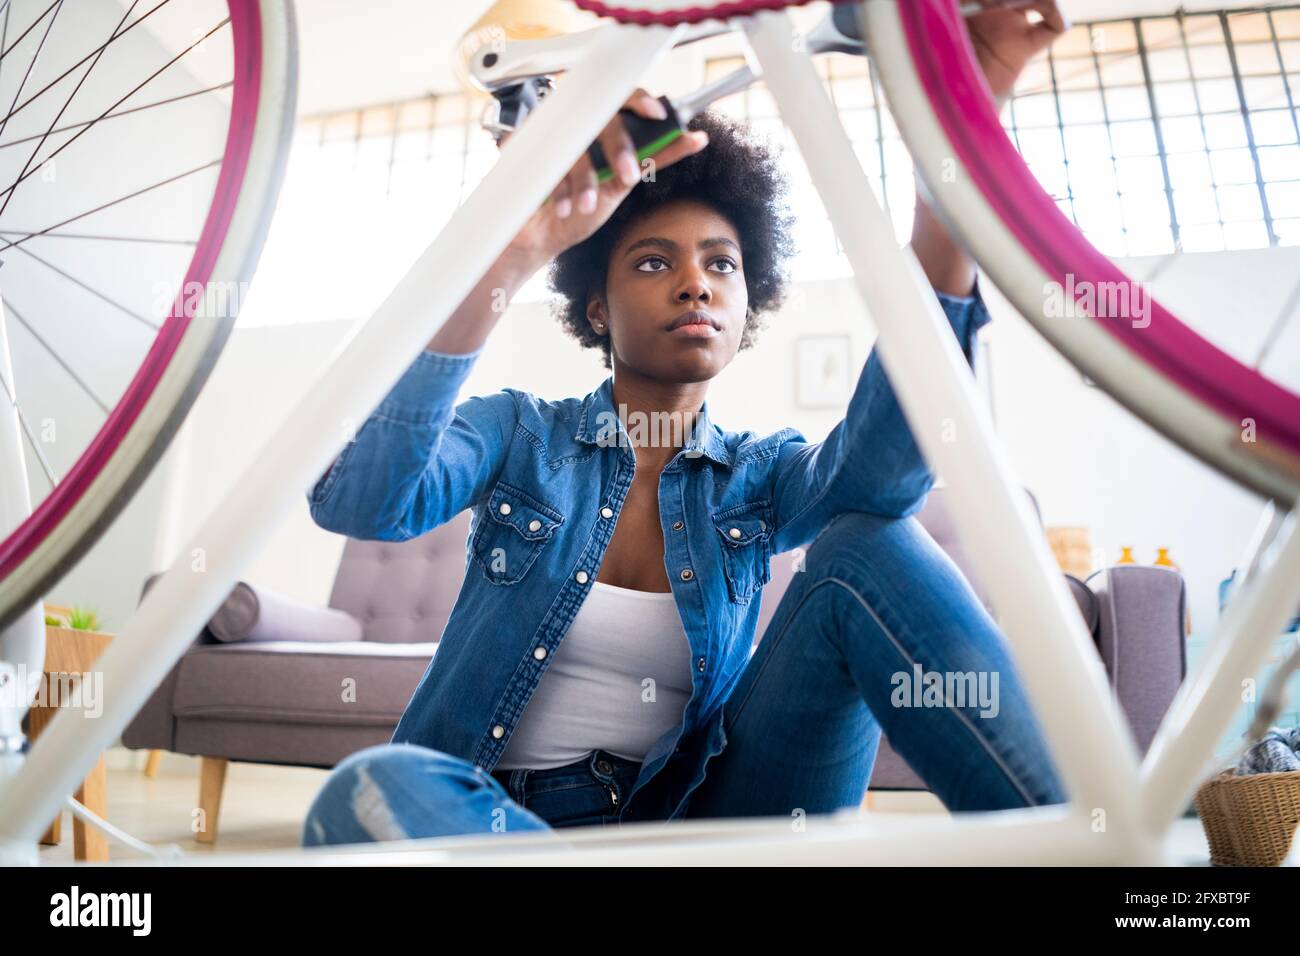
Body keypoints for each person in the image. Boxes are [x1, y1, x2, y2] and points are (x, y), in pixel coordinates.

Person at [300, 2, 1071, 847]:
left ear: (747, 308)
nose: (695, 284)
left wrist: (955, 153)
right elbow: (361, 503)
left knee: (870, 541)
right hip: (493, 820)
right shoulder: (517, 433)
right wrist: (513, 254)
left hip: (698, 826)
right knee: (375, 786)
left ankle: (1079, 851)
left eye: (722, 266)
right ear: (597, 304)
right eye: (655, 262)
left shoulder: (763, 474)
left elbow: (883, 478)